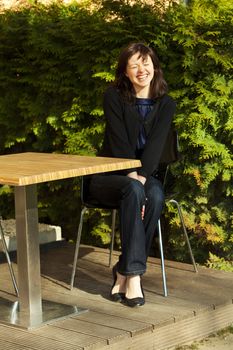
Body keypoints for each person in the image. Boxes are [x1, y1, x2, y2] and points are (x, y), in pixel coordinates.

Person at [88, 42, 176, 307]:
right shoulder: (113, 96)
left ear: (155, 67)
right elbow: (118, 140)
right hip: (109, 176)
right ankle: (134, 275)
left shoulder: (166, 103)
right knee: (135, 189)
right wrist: (130, 172)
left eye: (146, 63)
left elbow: (157, 145)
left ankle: (126, 271)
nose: (141, 69)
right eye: (134, 65)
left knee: (155, 195)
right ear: (125, 72)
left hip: (146, 176)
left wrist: (141, 175)